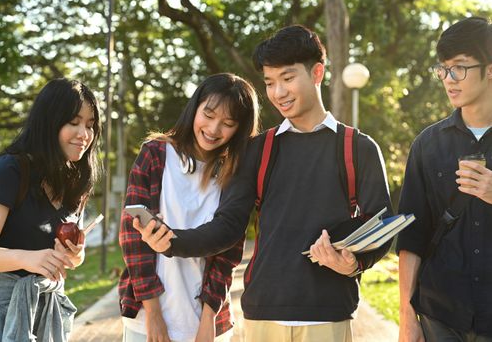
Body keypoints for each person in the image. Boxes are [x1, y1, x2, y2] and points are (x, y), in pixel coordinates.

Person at [138, 25, 392, 342]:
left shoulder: (358, 147)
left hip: (327, 312)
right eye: (270, 83)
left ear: (316, 73)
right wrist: (174, 241)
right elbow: (228, 226)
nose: (278, 93)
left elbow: (381, 225)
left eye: (287, 78)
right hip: (262, 312)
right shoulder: (257, 150)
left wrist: (354, 262)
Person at [118, 73, 259, 342]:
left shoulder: (235, 174)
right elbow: (132, 239)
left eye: (227, 123)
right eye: (208, 114)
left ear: (239, 129)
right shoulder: (156, 154)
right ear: (194, 108)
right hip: (146, 317)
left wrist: (208, 321)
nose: (214, 129)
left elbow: (228, 253)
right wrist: (154, 317)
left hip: (205, 320)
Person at [0, 78, 102, 341]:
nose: (84, 134)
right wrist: (26, 258)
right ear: (48, 123)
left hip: (41, 306)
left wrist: (75, 254)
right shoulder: (7, 172)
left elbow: (72, 260)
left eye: (90, 125)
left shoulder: (75, 181)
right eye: (73, 122)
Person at [397, 16, 492, 341]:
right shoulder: (427, 144)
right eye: (443, 69)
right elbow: (411, 237)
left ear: (490, 69)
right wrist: (407, 319)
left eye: (460, 68)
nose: (449, 79)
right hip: (440, 316)